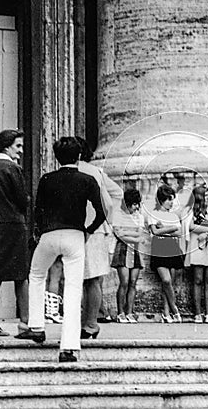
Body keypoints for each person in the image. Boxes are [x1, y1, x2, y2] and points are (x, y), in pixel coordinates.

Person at [15, 137, 105, 363]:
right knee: (73, 289)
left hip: (49, 233)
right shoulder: (88, 179)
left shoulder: (47, 179)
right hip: (75, 234)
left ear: (57, 157)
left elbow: (38, 210)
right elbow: (101, 211)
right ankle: (69, 347)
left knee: (36, 275)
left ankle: (36, 325)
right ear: (79, 156)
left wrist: (38, 233)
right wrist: (89, 230)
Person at [76, 136, 122, 338]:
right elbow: (116, 195)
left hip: (85, 229)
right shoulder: (96, 171)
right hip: (95, 229)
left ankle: (88, 322)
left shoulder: (84, 170)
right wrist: (108, 222)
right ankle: (90, 322)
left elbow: (113, 199)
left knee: (86, 279)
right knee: (92, 279)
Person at [0, 129, 29, 336]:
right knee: (21, 276)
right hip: (13, 226)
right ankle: (25, 323)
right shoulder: (12, 169)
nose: (20, 151)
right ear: (7, 146)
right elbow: (23, 200)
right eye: (18, 146)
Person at [182, 184, 208, 323]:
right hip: (196, 248)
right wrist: (207, 229)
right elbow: (190, 226)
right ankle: (198, 313)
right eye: (205, 196)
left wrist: (207, 233)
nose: (207, 199)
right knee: (198, 279)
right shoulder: (190, 211)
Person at [148, 184, 184, 323]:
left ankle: (166, 313)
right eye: (168, 199)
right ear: (161, 200)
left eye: (172, 199)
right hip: (159, 249)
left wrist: (165, 228)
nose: (171, 202)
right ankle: (174, 309)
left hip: (172, 249)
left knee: (168, 284)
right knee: (166, 280)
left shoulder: (174, 216)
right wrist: (171, 228)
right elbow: (155, 231)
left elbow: (179, 232)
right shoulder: (153, 214)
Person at [111, 189, 144, 323]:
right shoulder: (118, 215)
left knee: (133, 282)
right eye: (134, 204)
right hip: (122, 250)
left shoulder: (139, 217)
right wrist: (133, 236)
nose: (136, 207)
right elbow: (118, 234)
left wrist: (126, 234)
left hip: (135, 251)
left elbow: (140, 234)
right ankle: (120, 313)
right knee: (124, 282)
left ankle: (129, 312)